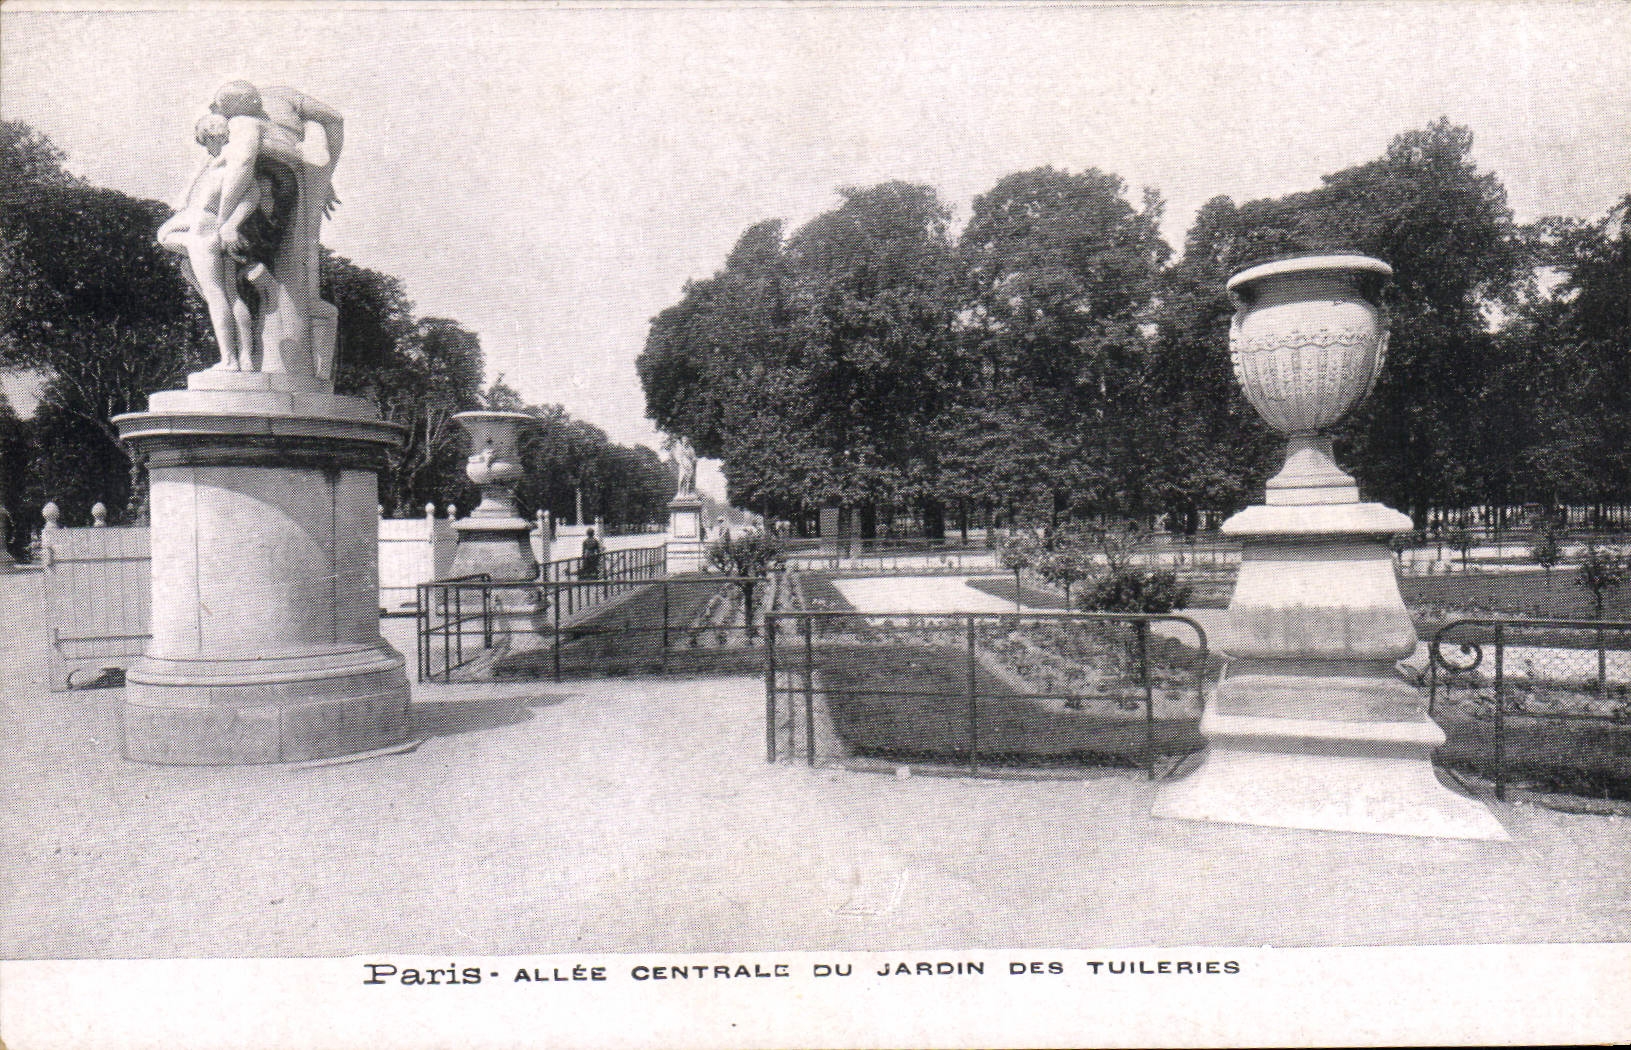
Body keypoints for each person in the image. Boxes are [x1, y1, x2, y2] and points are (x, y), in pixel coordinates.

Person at [157, 113, 271, 370]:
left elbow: (251, 195)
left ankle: (229, 359)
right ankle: (245, 358)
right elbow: (251, 194)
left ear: (209, 136)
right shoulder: (227, 164)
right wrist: (230, 226)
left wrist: (223, 226)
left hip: (204, 231)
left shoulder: (226, 163)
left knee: (216, 294)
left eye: (205, 139)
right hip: (214, 232)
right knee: (231, 294)